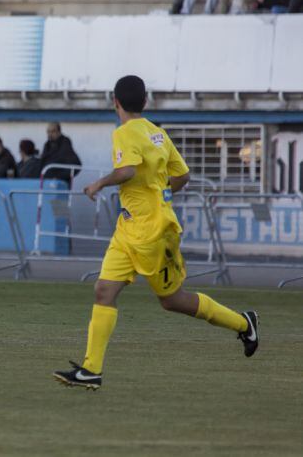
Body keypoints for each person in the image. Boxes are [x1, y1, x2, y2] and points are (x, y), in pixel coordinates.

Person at [53, 76, 258, 390]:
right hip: (128, 228)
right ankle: (91, 370)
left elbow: (127, 171)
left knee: (172, 300)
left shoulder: (124, 132)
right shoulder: (157, 133)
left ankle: (244, 323)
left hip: (152, 232)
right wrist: (160, 192)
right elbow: (183, 175)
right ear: (145, 102)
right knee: (104, 290)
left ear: (115, 102)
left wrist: (98, 184)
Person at [40, 122, 82, 188]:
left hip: (60, 185)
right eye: (48, 132)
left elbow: (76, 165)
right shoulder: (47, 145)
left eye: (53, 131)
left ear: (59, 132)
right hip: (47, 184)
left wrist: (58, 177)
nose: (50, 134)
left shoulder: (65, 145)